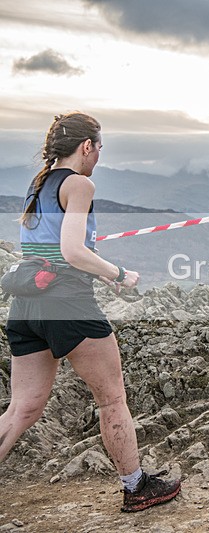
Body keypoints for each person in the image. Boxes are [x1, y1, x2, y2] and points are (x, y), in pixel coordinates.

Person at [0, 113, 181, 512]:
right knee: (112, 398)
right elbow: (72, 252)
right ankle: (136, 488)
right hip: (68, 304)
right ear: (86, 147)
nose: (99, 155)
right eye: (99, 148)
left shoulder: (40, 183)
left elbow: (50, 249)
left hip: (27, 303)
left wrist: (103, 276)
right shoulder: (80, 184)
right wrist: (120, 273)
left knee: (23, 407)